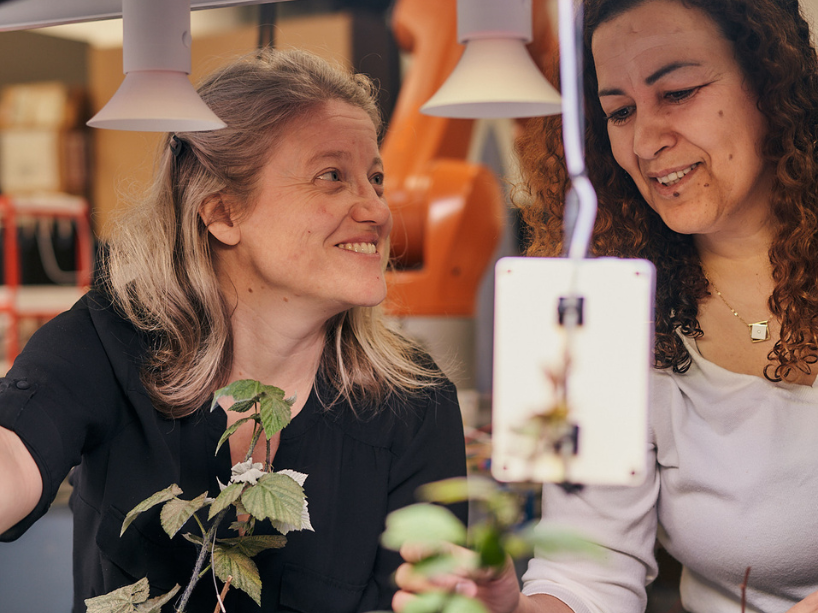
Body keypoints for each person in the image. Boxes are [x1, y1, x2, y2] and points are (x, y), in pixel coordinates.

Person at [0, 48, 468, 613]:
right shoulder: (111, 340)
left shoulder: (413, 403)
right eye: (332, 177)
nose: (376, 210)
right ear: (222, 214)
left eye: (375, 179)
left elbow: (432, 598)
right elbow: (13, 461)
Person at [394, 0, 818, 611]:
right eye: (619, 111)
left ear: (770, 82)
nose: (645, 141)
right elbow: (588, 573)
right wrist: (509, 609)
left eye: (677, 93)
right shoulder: (611, 316)